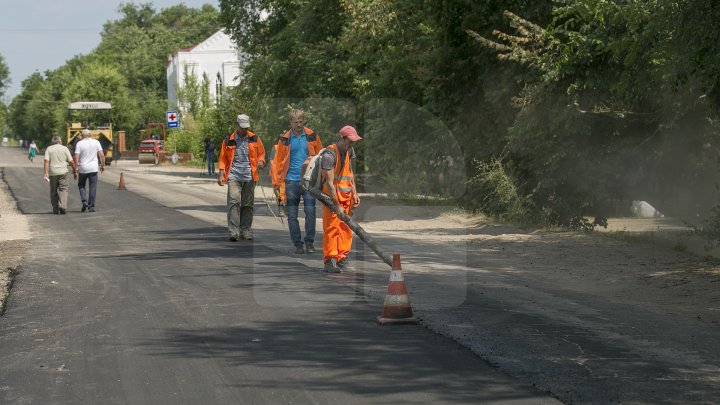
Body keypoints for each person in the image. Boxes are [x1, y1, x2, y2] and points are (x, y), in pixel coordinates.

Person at [271, 109, 323, 254]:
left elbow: (321, 156)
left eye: (301, 121)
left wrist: (321, 178)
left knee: (310, 212)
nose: (299, 124)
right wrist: (277, 183)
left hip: (308, 181)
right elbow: (278, 162)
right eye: (296, 122)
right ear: (291, 123)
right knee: (292, 215)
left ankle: (309, 242)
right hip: (291, 182)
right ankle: (298, 244)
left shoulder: (312, 136)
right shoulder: (284, 139)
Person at [218, 114, 266, 241]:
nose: (244, 130)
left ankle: (246, 230)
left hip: (250, 176)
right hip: (234, 175)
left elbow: (261, 154)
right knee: (234, 202)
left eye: (246, 127)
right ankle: (233, 232)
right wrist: (222, 173)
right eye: (242, 127)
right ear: (237, 125)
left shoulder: (254, 138)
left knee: (247, 204)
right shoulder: (229, 140)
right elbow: (223, 158)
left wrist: (261, 162)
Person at [321, 125, 362, 273]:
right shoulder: (329, 155)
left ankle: (342, 259)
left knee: (346, 229)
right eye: (349, 141)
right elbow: (330, 183)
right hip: (332, 199)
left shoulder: (349, 151)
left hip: (346, 197)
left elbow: (349, 174)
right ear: (342, 138)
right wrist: (336, 205)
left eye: (353, 141)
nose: (352, 144)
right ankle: (329, 261)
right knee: (331, 228)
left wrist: (355, 193)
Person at [43, 136, 77, 215]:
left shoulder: (49, 149)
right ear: (60, 141)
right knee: (64, 189)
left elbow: (46, 161)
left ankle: (55, 209)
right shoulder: (65, 149)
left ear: (53, 142)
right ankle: (62, 206)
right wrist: (75, 171)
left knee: (53, 191)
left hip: (53, 172)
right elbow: (71, 162)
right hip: (63, 172)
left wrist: (46, 172)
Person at [73, 129, 105, 212]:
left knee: (81, 185)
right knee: (93, 187)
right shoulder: (96, 142)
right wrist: (102, 165)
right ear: (90, 135)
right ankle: (91, 206)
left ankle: (84, 201)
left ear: (82, 136)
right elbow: (101, 155)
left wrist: (76, 168)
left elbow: (76, 157)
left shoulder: (79, 143)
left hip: (83, 168)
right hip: (93, 168)